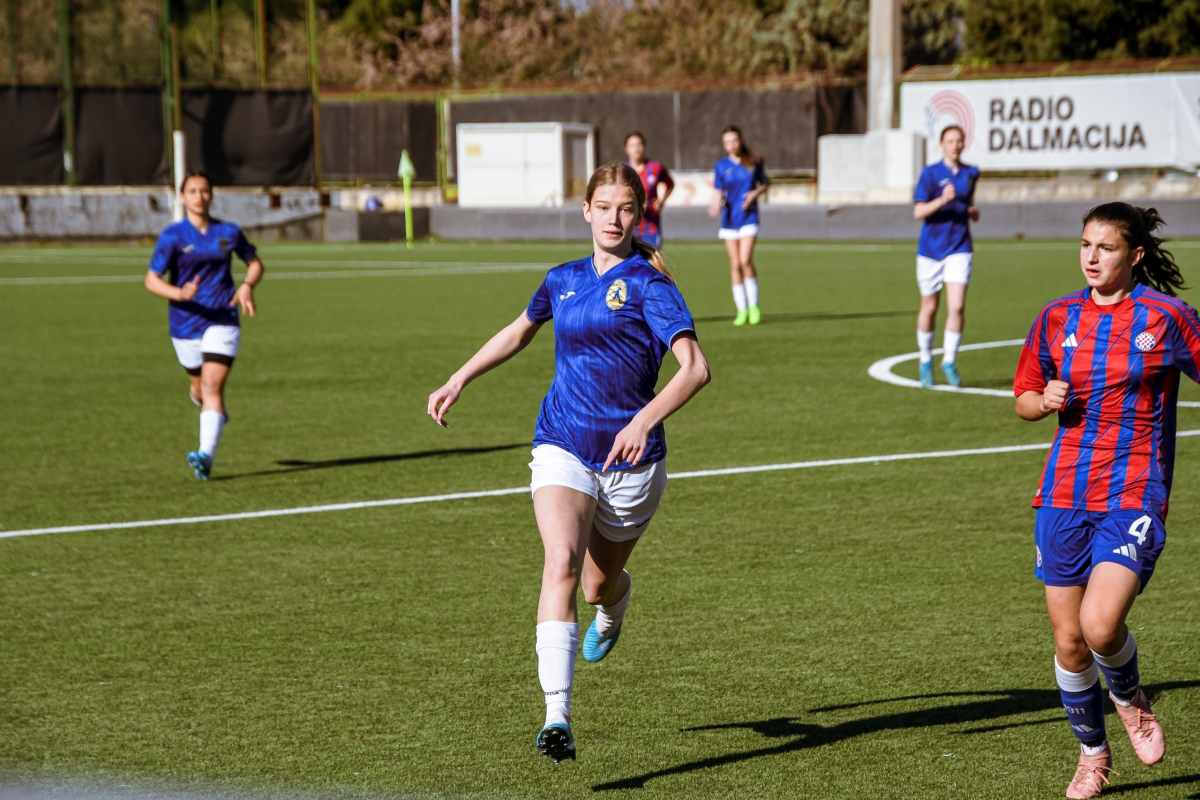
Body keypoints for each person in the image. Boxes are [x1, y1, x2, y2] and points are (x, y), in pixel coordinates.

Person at [427, 163, 710, 765]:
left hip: (631, 462)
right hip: (562, 442)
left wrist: (643, 420)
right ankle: (557, 716)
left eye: (625, 208)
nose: (613, 218)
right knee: (560, 560)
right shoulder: (562, 279)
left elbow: (695, 369)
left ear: (639, 215)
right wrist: (459, 378)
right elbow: (519, 330)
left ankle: (616, 603)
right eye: (603, 206)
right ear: (585, 210)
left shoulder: (650, 286)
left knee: (596, 584)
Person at [1014, 203, 1189, 798]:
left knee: (1099, 624)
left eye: (1105, 248)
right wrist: (1043, 401)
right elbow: (1024, 397)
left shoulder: (1166, 317)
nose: (1091, 257)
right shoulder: (1057, 315)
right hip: (1064, 491)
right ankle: (1093, 754)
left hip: (1135, 488)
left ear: (1134, 255)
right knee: (1069, 641)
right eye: (1085, 245)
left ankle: (1131, 699)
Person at [144, 172, 264, 481]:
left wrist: (247, 285)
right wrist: (179, 294)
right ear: (182, 197)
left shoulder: (228, 232)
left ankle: (205, 456)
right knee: (199, 389)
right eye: (193, 191)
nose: (199, 196)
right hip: (185, 322)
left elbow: (254, 263)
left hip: (223, 317)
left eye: (204, 190)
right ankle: (213, 412)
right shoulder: (172, 236)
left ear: (211, 195)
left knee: (212, 386)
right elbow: (152, 280)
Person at [913, 125, 980, 388]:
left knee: (957, 306)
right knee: (930, 307)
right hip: (931, 250)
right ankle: (925, 360)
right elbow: (918, 212)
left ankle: (949, 361)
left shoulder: (971, 173)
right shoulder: (930, 174)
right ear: (941, 145)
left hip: (959, 247)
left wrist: (973, 213)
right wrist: (941, 200)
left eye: (958, 141)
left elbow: (968, 204)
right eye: (950, 141)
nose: (955, 145)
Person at [708, 125, 767, 326]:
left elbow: (765, 184)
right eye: (727, 142)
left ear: (740, 140)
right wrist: (716, 201)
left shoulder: (753, 160)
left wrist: (754, 194)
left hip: (749, 217)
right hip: (729, 220)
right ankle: (741, 310)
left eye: (734, 140)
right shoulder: (721, 165)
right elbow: (718, 190)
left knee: (745, 260)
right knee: (734, 264)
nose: (731, 145)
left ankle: (754, 307)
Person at [624, 131, 675, 250]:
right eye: (632, 145)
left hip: (651, 227)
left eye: (639, 144)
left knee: (652, 260)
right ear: (626, 149)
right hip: (629, 226)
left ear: (644, 146)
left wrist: (661, 202)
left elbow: (670, 184)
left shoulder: (655, 167)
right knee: (629, 261)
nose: (636, 148)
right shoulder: (623, 171)